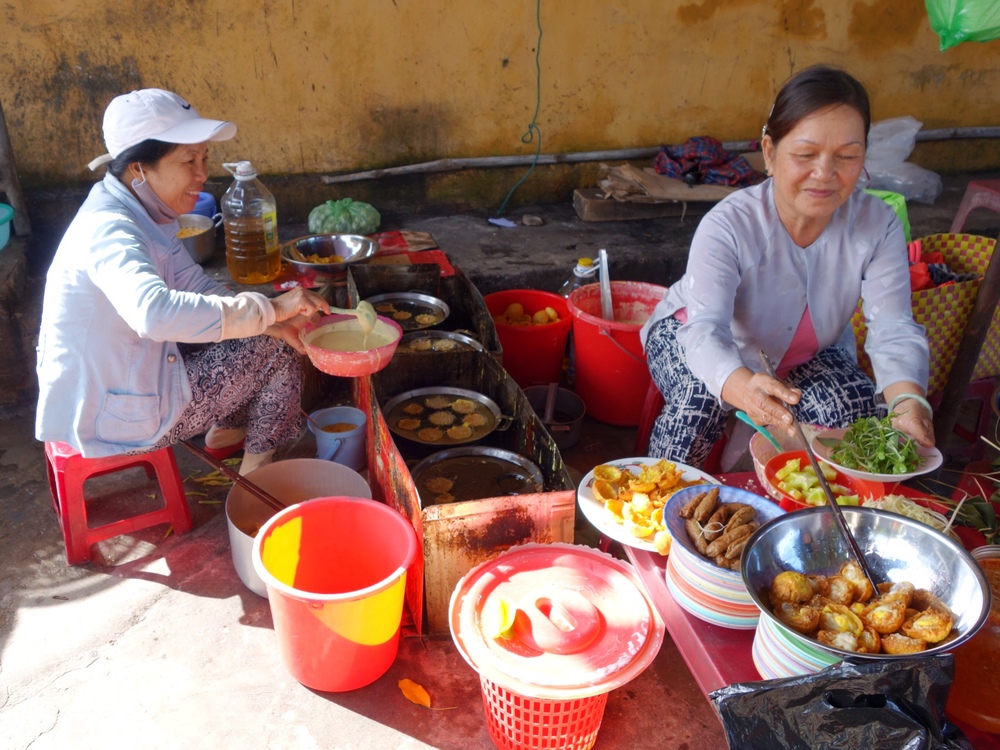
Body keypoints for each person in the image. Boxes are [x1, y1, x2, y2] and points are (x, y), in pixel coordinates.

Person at [640, 65, 934, 468]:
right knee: (699, 400)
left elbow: (893, 327)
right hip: (691, 333)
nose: (825, 174)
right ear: (770, 152)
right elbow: (705, 330)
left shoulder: (877, 224)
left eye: (847, 156)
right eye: (805, 155)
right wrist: (742, 387)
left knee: (853, 407)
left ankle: (785, 501)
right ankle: (655, 498)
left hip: (806, 351)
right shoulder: (729, 224)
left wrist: (908, 402)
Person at [35, 88, 330, 475]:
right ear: (139, 168)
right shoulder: (110, 228)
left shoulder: (142, 211)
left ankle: (226, 433)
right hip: (110, 415)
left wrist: (270, 320)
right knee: (276, 349)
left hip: (121, 378)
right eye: (189, 160)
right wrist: (271, 309)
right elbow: (154, 313)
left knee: (263, 331)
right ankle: (259, 475)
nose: (203, 174)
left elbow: (194, 284)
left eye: (204, 157)